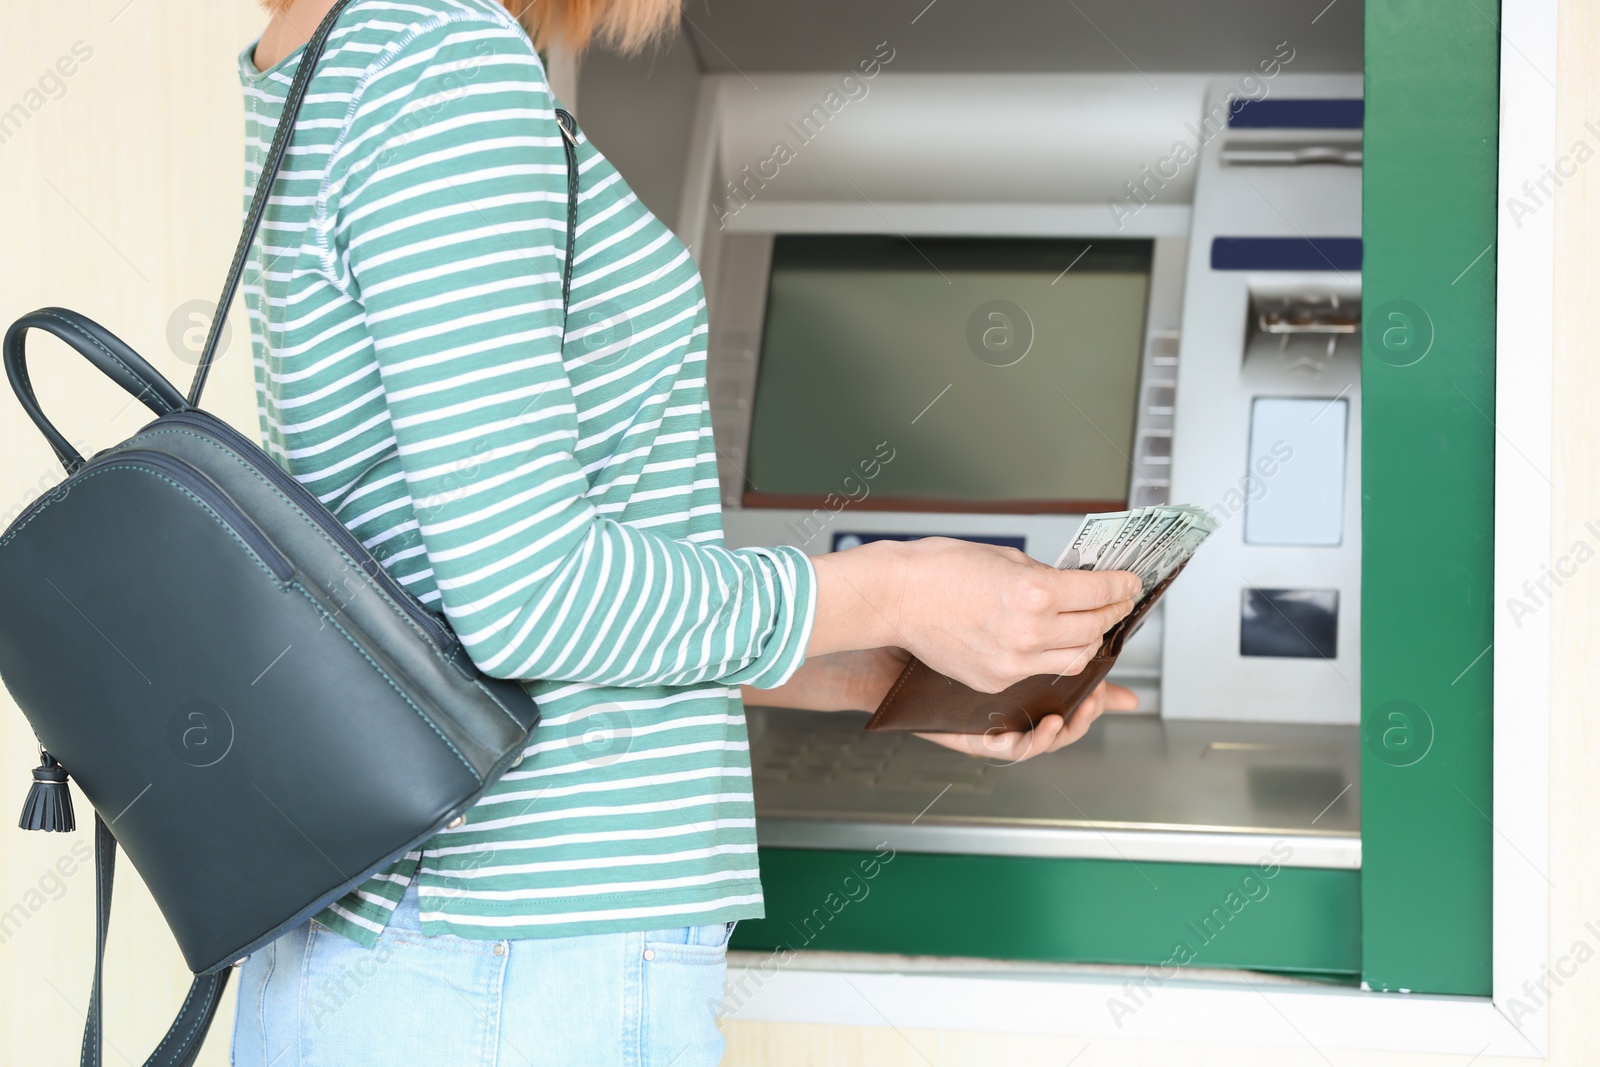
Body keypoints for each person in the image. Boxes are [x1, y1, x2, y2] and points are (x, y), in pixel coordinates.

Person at [231, 0, 1140, 1063]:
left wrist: (864, 667)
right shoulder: (440, 56)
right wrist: (898, 587)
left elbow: (443, 595)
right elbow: (533, 601)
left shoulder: (333, 47)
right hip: (513, 961)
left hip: (450, 960)